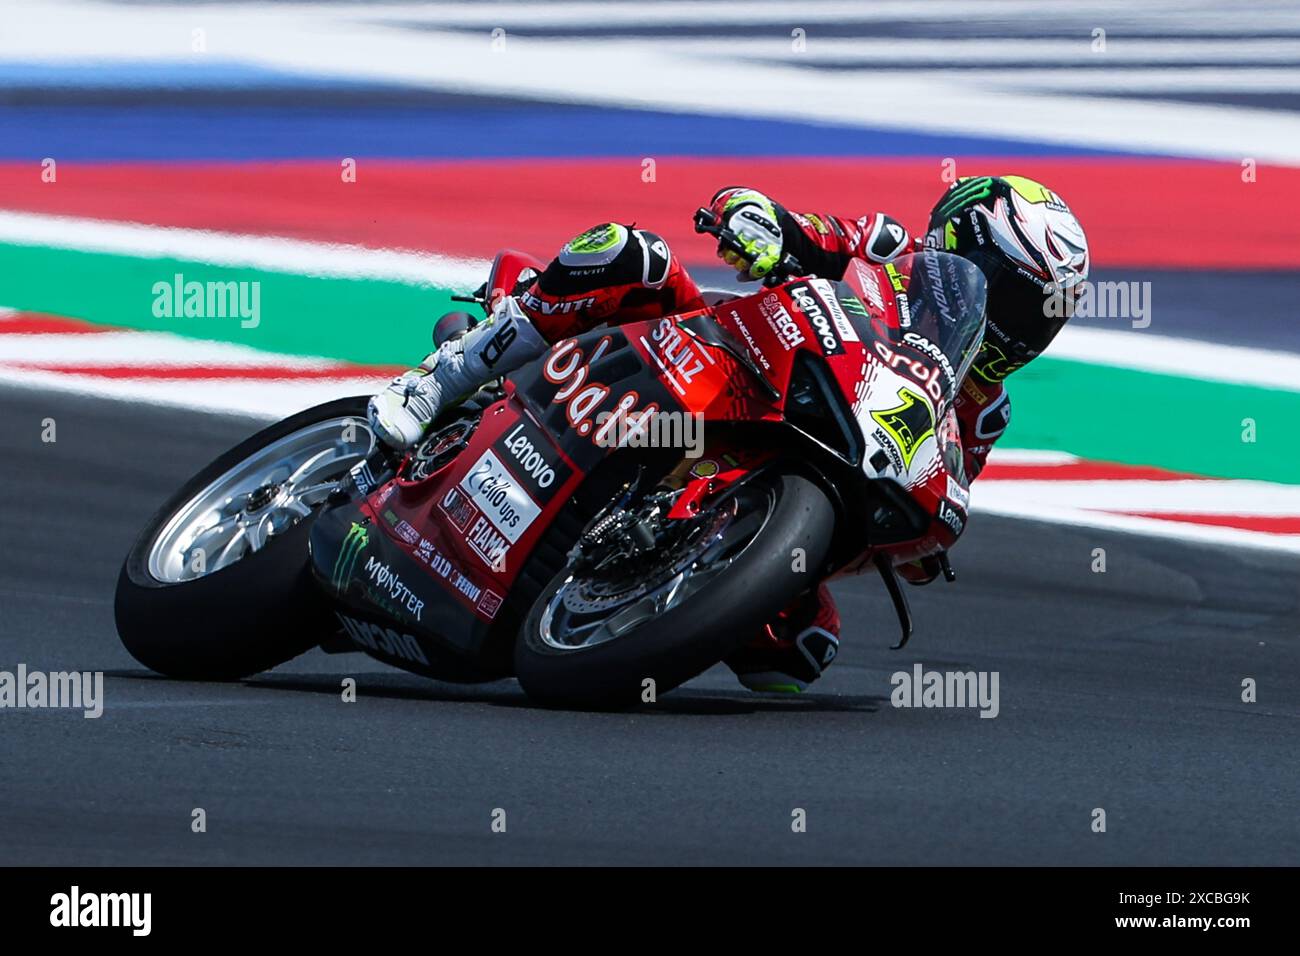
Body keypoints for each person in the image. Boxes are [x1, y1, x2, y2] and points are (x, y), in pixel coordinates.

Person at [368, 175, 1089, 693]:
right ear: (959, 242)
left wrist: (920, 545)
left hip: (798, 451)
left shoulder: (982, 408)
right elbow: (786, 224)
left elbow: (942, 476)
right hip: (719, 365)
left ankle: (633, 586)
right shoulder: (880, 250)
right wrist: (757, 223)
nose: (1021, 327)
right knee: (630, 253)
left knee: (802, 651)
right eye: (1015, 296)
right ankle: (446, 377)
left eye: (1042, 317)